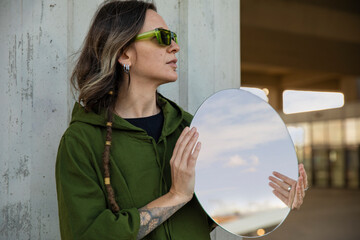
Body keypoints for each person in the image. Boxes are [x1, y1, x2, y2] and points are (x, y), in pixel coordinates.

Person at [55, 1, 308, 239]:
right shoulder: (81, 142)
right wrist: (176, 196)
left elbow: (220, 209)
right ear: (124, 55)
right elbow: (86, 234)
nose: (175, 46)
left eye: (173, 37)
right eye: (162, 38)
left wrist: (274, 201)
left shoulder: (193, 128)